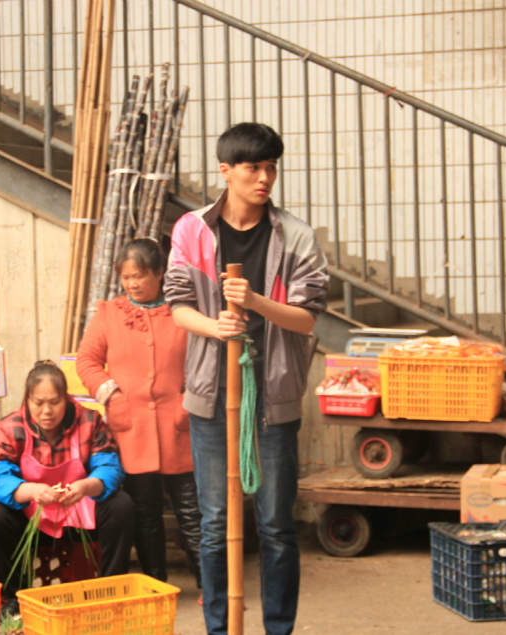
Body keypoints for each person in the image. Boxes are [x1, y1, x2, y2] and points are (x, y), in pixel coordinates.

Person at [163, 122, 329, 635]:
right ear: (226, 171)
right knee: (215, 522)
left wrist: (255, 301)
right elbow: (177, 306)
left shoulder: (295, 235)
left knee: (276, 524)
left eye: (271, 168)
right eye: (253, 167)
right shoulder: (192, 230)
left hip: (273, 393)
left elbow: (307, 319)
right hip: (211, 394)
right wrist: (216, 326)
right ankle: (220, 628)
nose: (264, 178)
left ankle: (278, 628)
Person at [76, 238, 203, 594]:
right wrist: (111, 394)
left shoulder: (183, 312)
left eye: (139, 276)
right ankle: (155, 586)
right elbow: (87, 360)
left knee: (192, 512)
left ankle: (211, 588)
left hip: (180, 426)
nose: (132, 284)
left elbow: (206, 360)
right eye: (126, 277)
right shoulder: (109, 313)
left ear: (160, 273)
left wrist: (190, 397)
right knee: (145, 514)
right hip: (130, 428)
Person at [0, 360, 136, 616]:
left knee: (122, 506)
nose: (47, 411)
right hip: (32, 517)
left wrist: (86, 486)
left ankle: (110, 592)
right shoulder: (9, 428)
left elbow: (110, 467)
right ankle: (15, 597)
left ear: (66, 398)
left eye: (54, 402)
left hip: (79, 515)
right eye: (38, 403)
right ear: (27, 400)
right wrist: (32, 491)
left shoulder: (89, 420)